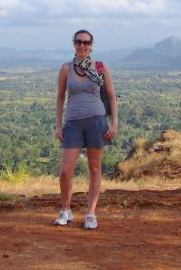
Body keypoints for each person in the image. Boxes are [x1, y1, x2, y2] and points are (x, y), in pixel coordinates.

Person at [54, 29, 118, 230]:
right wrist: (58, 124)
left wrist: (114, 122)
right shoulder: (66, 68)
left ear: (91, 45)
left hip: (96, 121)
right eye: (79, 42)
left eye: (86, 42)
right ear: (73, 44)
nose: (82, 46)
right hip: (73, 122)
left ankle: (91, 213)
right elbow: (60, 98)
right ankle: (66, 210)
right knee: (65, 171)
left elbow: (111, 95)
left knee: (95, 168)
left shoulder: (100, 67)